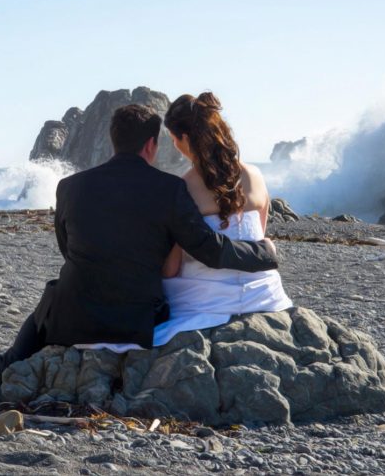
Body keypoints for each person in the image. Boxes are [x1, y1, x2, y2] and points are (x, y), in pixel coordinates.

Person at [0, 104, 278, 386]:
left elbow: (68, 249)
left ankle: (3, 367)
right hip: (138, 323)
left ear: (112, 141)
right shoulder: (171, 189)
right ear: (151, 145)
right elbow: (209, 249)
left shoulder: (70, 186)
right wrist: (264, 252)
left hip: (73, 318)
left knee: (52, 296)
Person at [79, 93, 292, 354]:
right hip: (265, 293)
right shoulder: (255, 176)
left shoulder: (183, 187)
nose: (174, 144)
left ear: (186, 139)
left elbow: (171, 268)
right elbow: (259, 235)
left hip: (208, 302)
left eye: (173, 138)